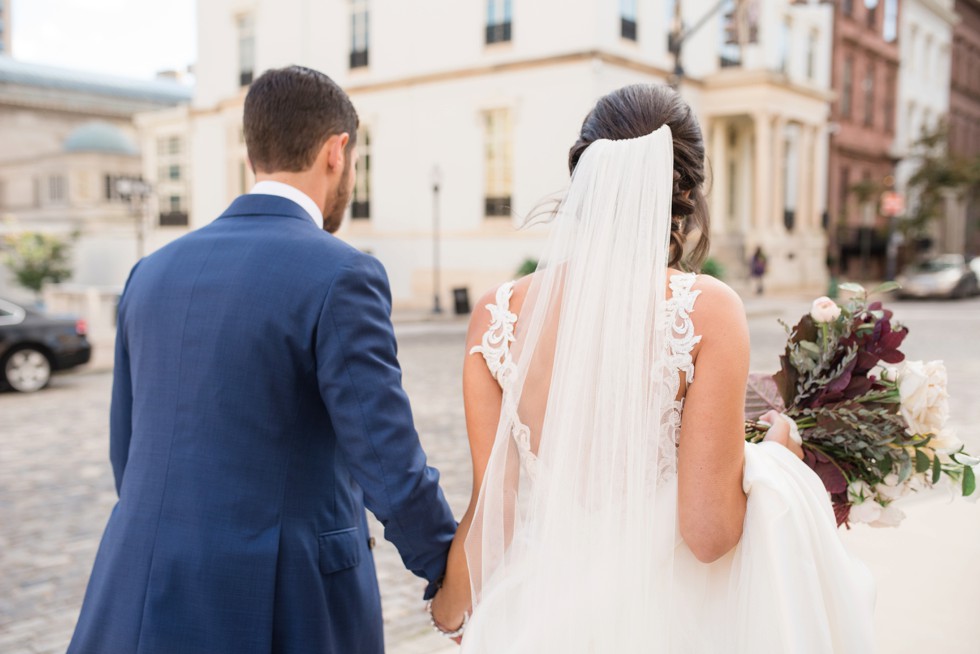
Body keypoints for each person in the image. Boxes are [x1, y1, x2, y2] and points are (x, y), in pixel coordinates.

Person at [427, 85, 875, 652]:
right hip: (667, 620)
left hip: (539, 614)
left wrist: (450, 613)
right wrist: (777, 453)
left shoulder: (497, 316)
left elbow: (497, 510)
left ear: (584, 175)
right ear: (685, 191)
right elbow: (709, 533)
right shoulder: (708, 310)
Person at [67, 66, 457, 654]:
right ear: (337, 151)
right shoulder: (342, 273)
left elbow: (128, 454)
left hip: (138, 593)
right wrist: (450, 573)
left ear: (254, 154)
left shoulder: (148, 274)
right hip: (281, 603)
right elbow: (387, 462)